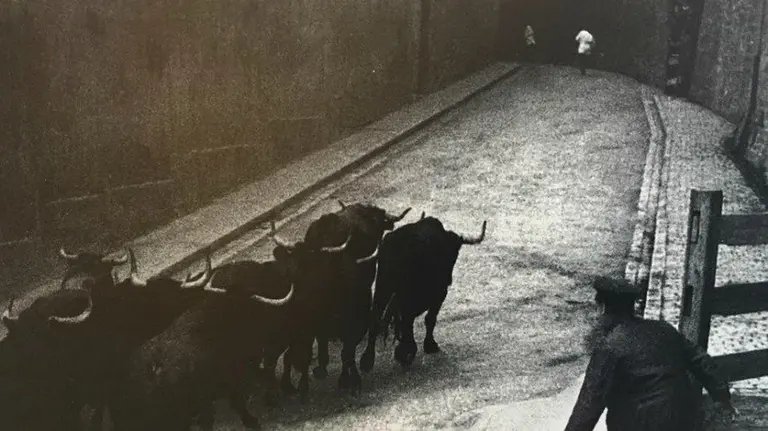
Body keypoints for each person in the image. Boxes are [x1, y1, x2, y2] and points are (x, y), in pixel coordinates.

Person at [564, 276, 737, 431]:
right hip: (684, 419)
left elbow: (588, 405)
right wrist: (722, 398)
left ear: (602, 309)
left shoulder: (609, 346)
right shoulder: (663, 329)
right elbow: (703, 361)